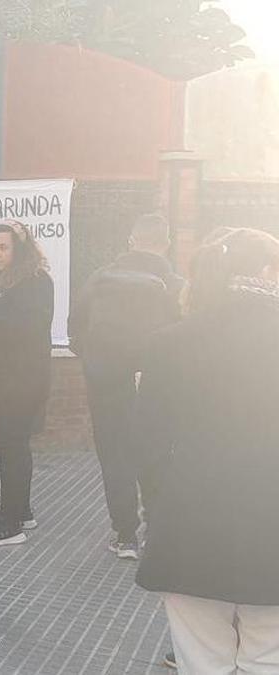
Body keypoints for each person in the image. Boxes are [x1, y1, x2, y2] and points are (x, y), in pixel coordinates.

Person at [134, 227, 279, 673]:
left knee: (200, 660)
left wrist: (155, 511)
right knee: (268, 658)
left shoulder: (169, 342)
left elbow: (148, 447)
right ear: (268, 270)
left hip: (189, 524)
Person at [68, 213, 183, 560]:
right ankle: (155, 530)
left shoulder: (99, 278)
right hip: (155, 381)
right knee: (157, 453)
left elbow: (75, 327)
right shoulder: (176, 284)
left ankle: (124, 536)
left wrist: (96, 361)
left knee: (115, 456)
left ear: (130, 241)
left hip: (107, 379)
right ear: (166, 243)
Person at [0, 220, 54, 547]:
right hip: (1, 378)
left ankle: (11, 525)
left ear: (21, 250)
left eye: (3, 247)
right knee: (14, 446)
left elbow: (33, 324)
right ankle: (21, 509)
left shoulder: (36, 281)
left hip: (21, 380)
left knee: (12, 447)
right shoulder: (1, 281)